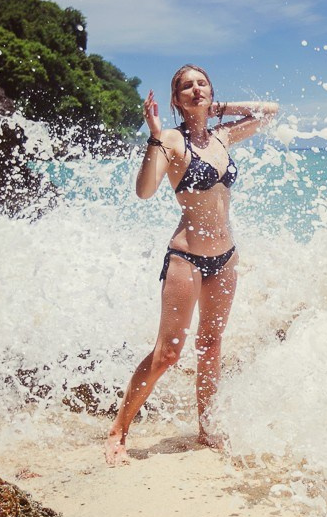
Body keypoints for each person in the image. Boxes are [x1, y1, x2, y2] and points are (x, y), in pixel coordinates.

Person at [106, 64, 278, 464]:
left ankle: (206, 427)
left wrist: (219, 108)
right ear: (176, 99)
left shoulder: (223, 136)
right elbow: (144, 191)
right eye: (187, 86)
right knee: (168, 353)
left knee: (211, 345)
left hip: (226, 257)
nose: (196, 90)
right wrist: (153, 136)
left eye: (202, 84)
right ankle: (119, 429)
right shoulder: (171, 140)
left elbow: (270, 112)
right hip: (187, 257)